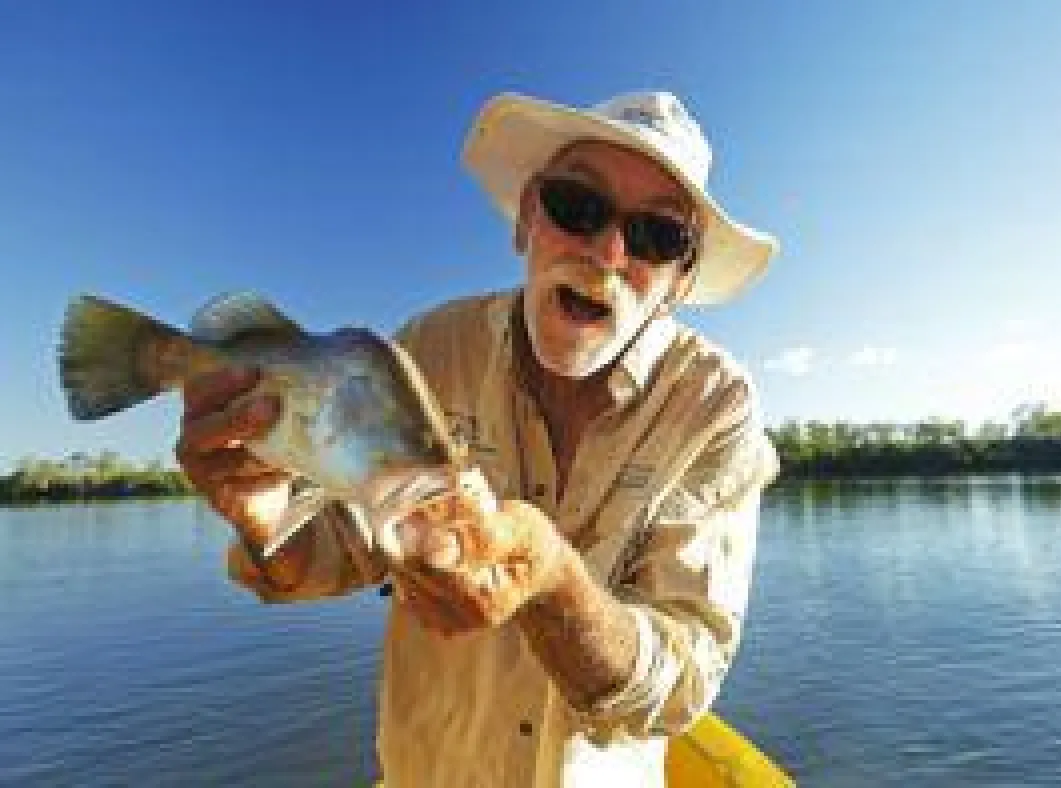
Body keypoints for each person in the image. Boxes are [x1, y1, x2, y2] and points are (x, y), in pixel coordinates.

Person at [175, 90, 781, 787]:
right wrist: (264, 524)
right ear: (527, 217)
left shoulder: (716, 405)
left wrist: (553, 583)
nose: (609, 252)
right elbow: (340, 548)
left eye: (659, 237)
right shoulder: (430, 348)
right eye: (578, 208)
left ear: (678, 282)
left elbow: (685, 675)